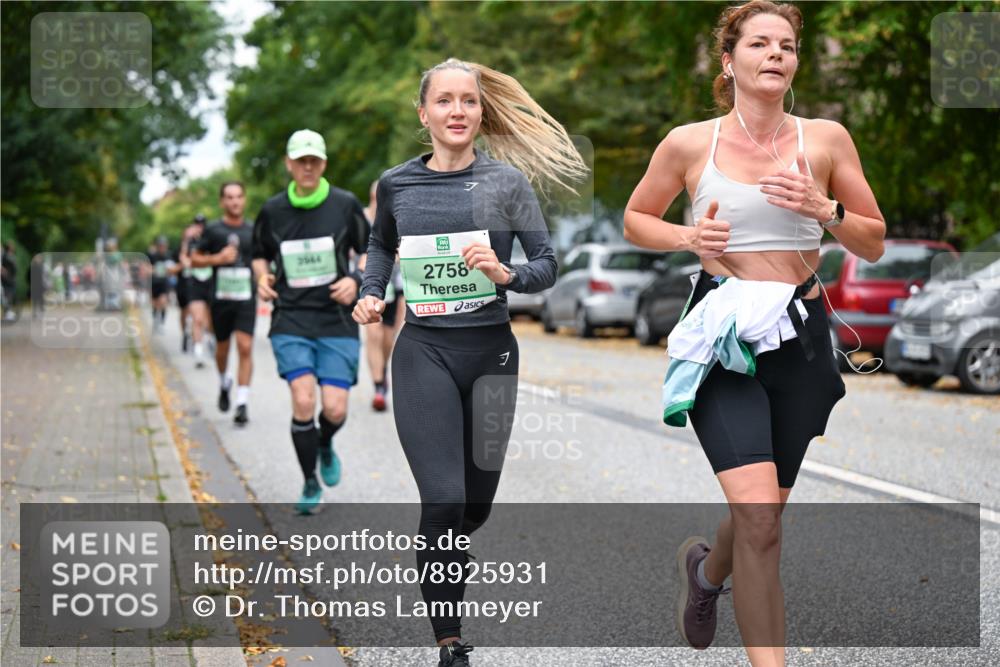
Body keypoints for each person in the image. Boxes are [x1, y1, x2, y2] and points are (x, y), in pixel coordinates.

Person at [623, 3, 885, 665]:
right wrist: (688, 237)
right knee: (762, 523)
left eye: (787, 45)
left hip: (798, 338)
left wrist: (824, 208)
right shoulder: (689, 143)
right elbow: (636, 218)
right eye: (760, 43)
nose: (775, 54)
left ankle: (706, 574)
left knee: (760, 514)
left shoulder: (825, 139)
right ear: (729, 60)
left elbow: (874, 241)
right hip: (723, 341)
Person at [354, 58, 586, 667]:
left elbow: (546, 265)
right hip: (424, 350)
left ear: (481, 113)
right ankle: (449, 643)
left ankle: (441, 553)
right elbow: (381, 247)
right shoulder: (396, 184)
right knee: (444, 500)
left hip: (491, 354)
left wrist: (505, 274)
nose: (458, 112)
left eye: (469, 102)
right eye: (445, 101)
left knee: (472, 507)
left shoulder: (506, 184)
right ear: (423, 111)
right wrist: (371, 292)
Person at [252, 130, 370, 513]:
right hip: (291, 318)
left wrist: (355, 279)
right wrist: (262, 278)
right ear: (288, 163)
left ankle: (323, 442)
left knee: (334, 409)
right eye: (300, 160)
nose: (307, 166)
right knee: (303, 398)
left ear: (323, 164)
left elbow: (372, 251)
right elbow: (259, 254)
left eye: (314, 160)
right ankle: (308, 482)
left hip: (336, 319)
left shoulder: (344, 204)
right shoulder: (272, 211)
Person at [192, 183, 257, 426]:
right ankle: (224, 381)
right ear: (222, 202)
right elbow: (194, 259)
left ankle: (242, 403)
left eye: (239, 197)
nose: (234, 202)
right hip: (220, 299)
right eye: (229, 197)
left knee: (245, 346)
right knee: (222, 349)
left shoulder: (253, 229)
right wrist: (216, 259)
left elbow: (262, 258)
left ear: (244, 200)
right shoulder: (213, 230)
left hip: (246, 298)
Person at [360, 179, 404, 411]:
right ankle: (378, 386)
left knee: (388, 339)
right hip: (370, 285)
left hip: (396, 285)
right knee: (373, 335)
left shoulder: (397, 216)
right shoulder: (362, 218)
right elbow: (351, 247)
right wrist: (359, 260)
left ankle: (383, 370)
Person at [179, 214, 212, 367]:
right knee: (197, 319)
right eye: (197, 224)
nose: (200, 227)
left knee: (209, 321)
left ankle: (210, 340)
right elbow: (183, 258)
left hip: (210, 281)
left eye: (202, 224)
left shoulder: (212, 239)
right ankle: (198, 352)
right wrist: (186, 239)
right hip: (195, 283)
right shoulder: (190, 242)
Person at [146, 236, 174, 332]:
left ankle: (161, 322)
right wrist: (154, 270)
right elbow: (147, 268)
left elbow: (172, 269)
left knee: (163, 302)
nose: (162, 247)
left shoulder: (169, 255)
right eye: (161, 246)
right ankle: (155, 319)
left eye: (164, 246)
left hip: (164, 283)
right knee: (155, 303)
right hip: (154, 282)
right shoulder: (152, 255)